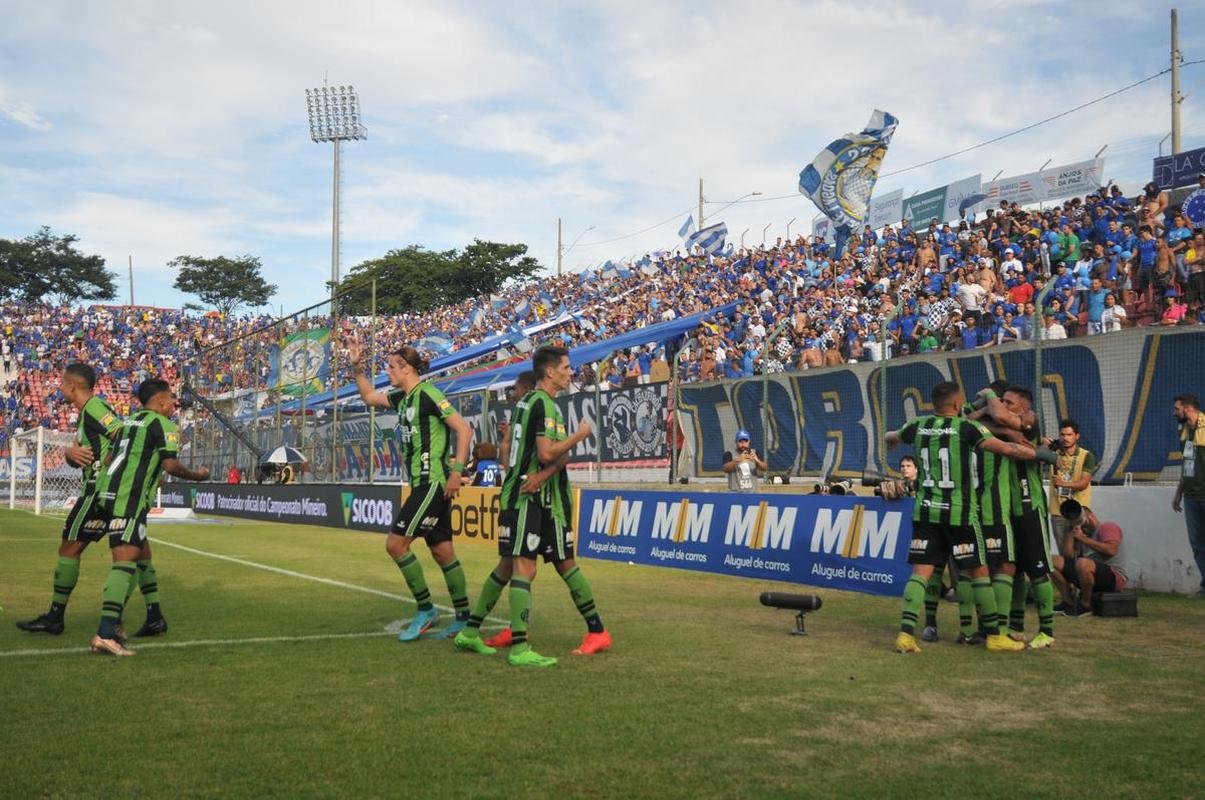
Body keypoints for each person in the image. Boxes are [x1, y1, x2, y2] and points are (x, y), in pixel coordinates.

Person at [455, 346, 610, 667]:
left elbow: (520, 454)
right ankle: (519, 646)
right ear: (549, 372)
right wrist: (581, 434)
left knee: (534, 564)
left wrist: (540, 473)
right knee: (523, 567)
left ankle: (474, 631)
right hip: (530, 497)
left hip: (533, 496)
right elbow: (548, 453)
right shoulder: (544, 404)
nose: (570, 372)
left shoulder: (525, 403)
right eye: (566, 367)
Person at [885, 381, 1036, 654]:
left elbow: (891, 436)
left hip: (926, 511)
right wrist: (1041, 454)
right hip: (960, 514)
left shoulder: (917, 425)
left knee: (920, 574)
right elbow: (1007, 449)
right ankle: (995, 636)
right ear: (957, 404)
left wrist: (892, 440)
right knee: (979, 572)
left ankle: (905, 635)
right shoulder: (966, 428)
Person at [345, 337, 475, 642]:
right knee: (443, 552)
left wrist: (457, 472)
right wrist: (357, 366)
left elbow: (463, 428)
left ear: (406, 369)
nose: (387, 371)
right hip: (421, 484)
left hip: (432, 483)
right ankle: (463, 617)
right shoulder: (402, 399)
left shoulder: (429, 394)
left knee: (395, 544)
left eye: (391, 367)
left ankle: (426, 609)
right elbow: (369, 397)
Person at [88, 378, 211, 656]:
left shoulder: (127, 423)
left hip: (111, 494)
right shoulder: (162, 424)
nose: (174, 404)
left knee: (142, 554)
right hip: (129, 499)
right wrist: (199, 476)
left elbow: (109, 460)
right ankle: (106, 632)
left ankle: (154, 616)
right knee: (124, 562)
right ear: (160, 401)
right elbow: (170, 465)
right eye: (171, 399)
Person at [16, 363, 124, 636]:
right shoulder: (87, 414)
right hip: (103, 491)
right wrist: (70, 455)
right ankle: (150, 615)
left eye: (62, 383)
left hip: (97, 493)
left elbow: (123, 435)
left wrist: (107, 463)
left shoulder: (95, 408)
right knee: (134, 551)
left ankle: (55, 618)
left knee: (69, 549)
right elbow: (86, 454)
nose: (60, 388)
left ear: (72, 386)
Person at [1050, 500, 1127, 615]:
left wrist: (1083, 538)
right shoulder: (1083, 534)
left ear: (1091, 516)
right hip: (1088, 572)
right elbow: (1068, 556)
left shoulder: (1107, 527)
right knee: (1050, 561)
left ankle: (1085, 605)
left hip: (1113, 577)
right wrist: (1070, 532)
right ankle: (1069, 602)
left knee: (1082, 563)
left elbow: (1111, 550)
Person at [1045, 418, 1097, 557]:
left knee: (1081, 551)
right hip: (1058, 511)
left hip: (1079, 510)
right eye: (1062, 435)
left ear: (1077, 436)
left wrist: (1063, 483)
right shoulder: (1052, 454)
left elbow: (1083, 483)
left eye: (1069, 435)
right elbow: (1033, 453)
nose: (1065, 438)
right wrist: (1043, 444)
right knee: (1064, 553)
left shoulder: (1087, 456)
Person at [1172, 393, 1205, 597]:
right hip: (1192, 497)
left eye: (1177, 409)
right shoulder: (1184, 431)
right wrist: (1179, 493)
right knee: (1198, 544)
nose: (1174, 412)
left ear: (1188, 408)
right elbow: (1187, 464)